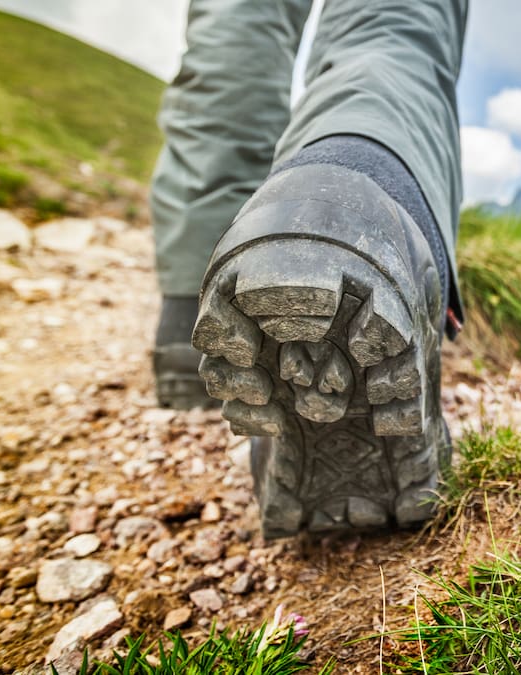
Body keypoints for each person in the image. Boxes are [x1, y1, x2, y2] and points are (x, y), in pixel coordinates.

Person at [148, 0, 467, 539]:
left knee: (241, 16)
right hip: (375, 190)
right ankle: (361, 178)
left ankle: (189, 312)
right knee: (390, 15)